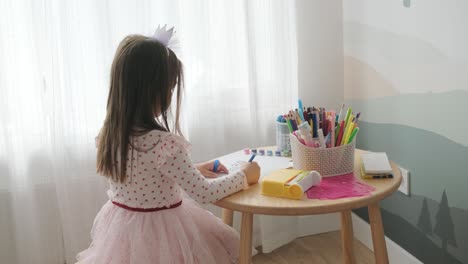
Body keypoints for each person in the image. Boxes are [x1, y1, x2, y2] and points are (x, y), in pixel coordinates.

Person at [76, 27, 260, 264]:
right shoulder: (164, 144)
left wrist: (193, 169)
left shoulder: (109, 136)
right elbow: (204, 192)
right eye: (170, 88)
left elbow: (143, 176)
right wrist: (244, 174)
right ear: (152, 91)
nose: (171, 94)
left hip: (123, 231)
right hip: (166, 233)